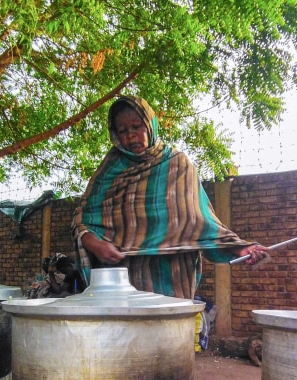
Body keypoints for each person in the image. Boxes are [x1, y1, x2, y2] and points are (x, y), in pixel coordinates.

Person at [72, 95, 269, 300]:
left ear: (150, 125)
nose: (131, 136)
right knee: (122, 331)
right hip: (121, 282)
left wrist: (240, 248)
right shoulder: (109, 171)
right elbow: (82, 218)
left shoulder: (178, 165)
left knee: (168, 329)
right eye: (123, 131)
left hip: (171, 279)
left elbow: (201, 221)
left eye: (137, 126)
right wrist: (95, 244)